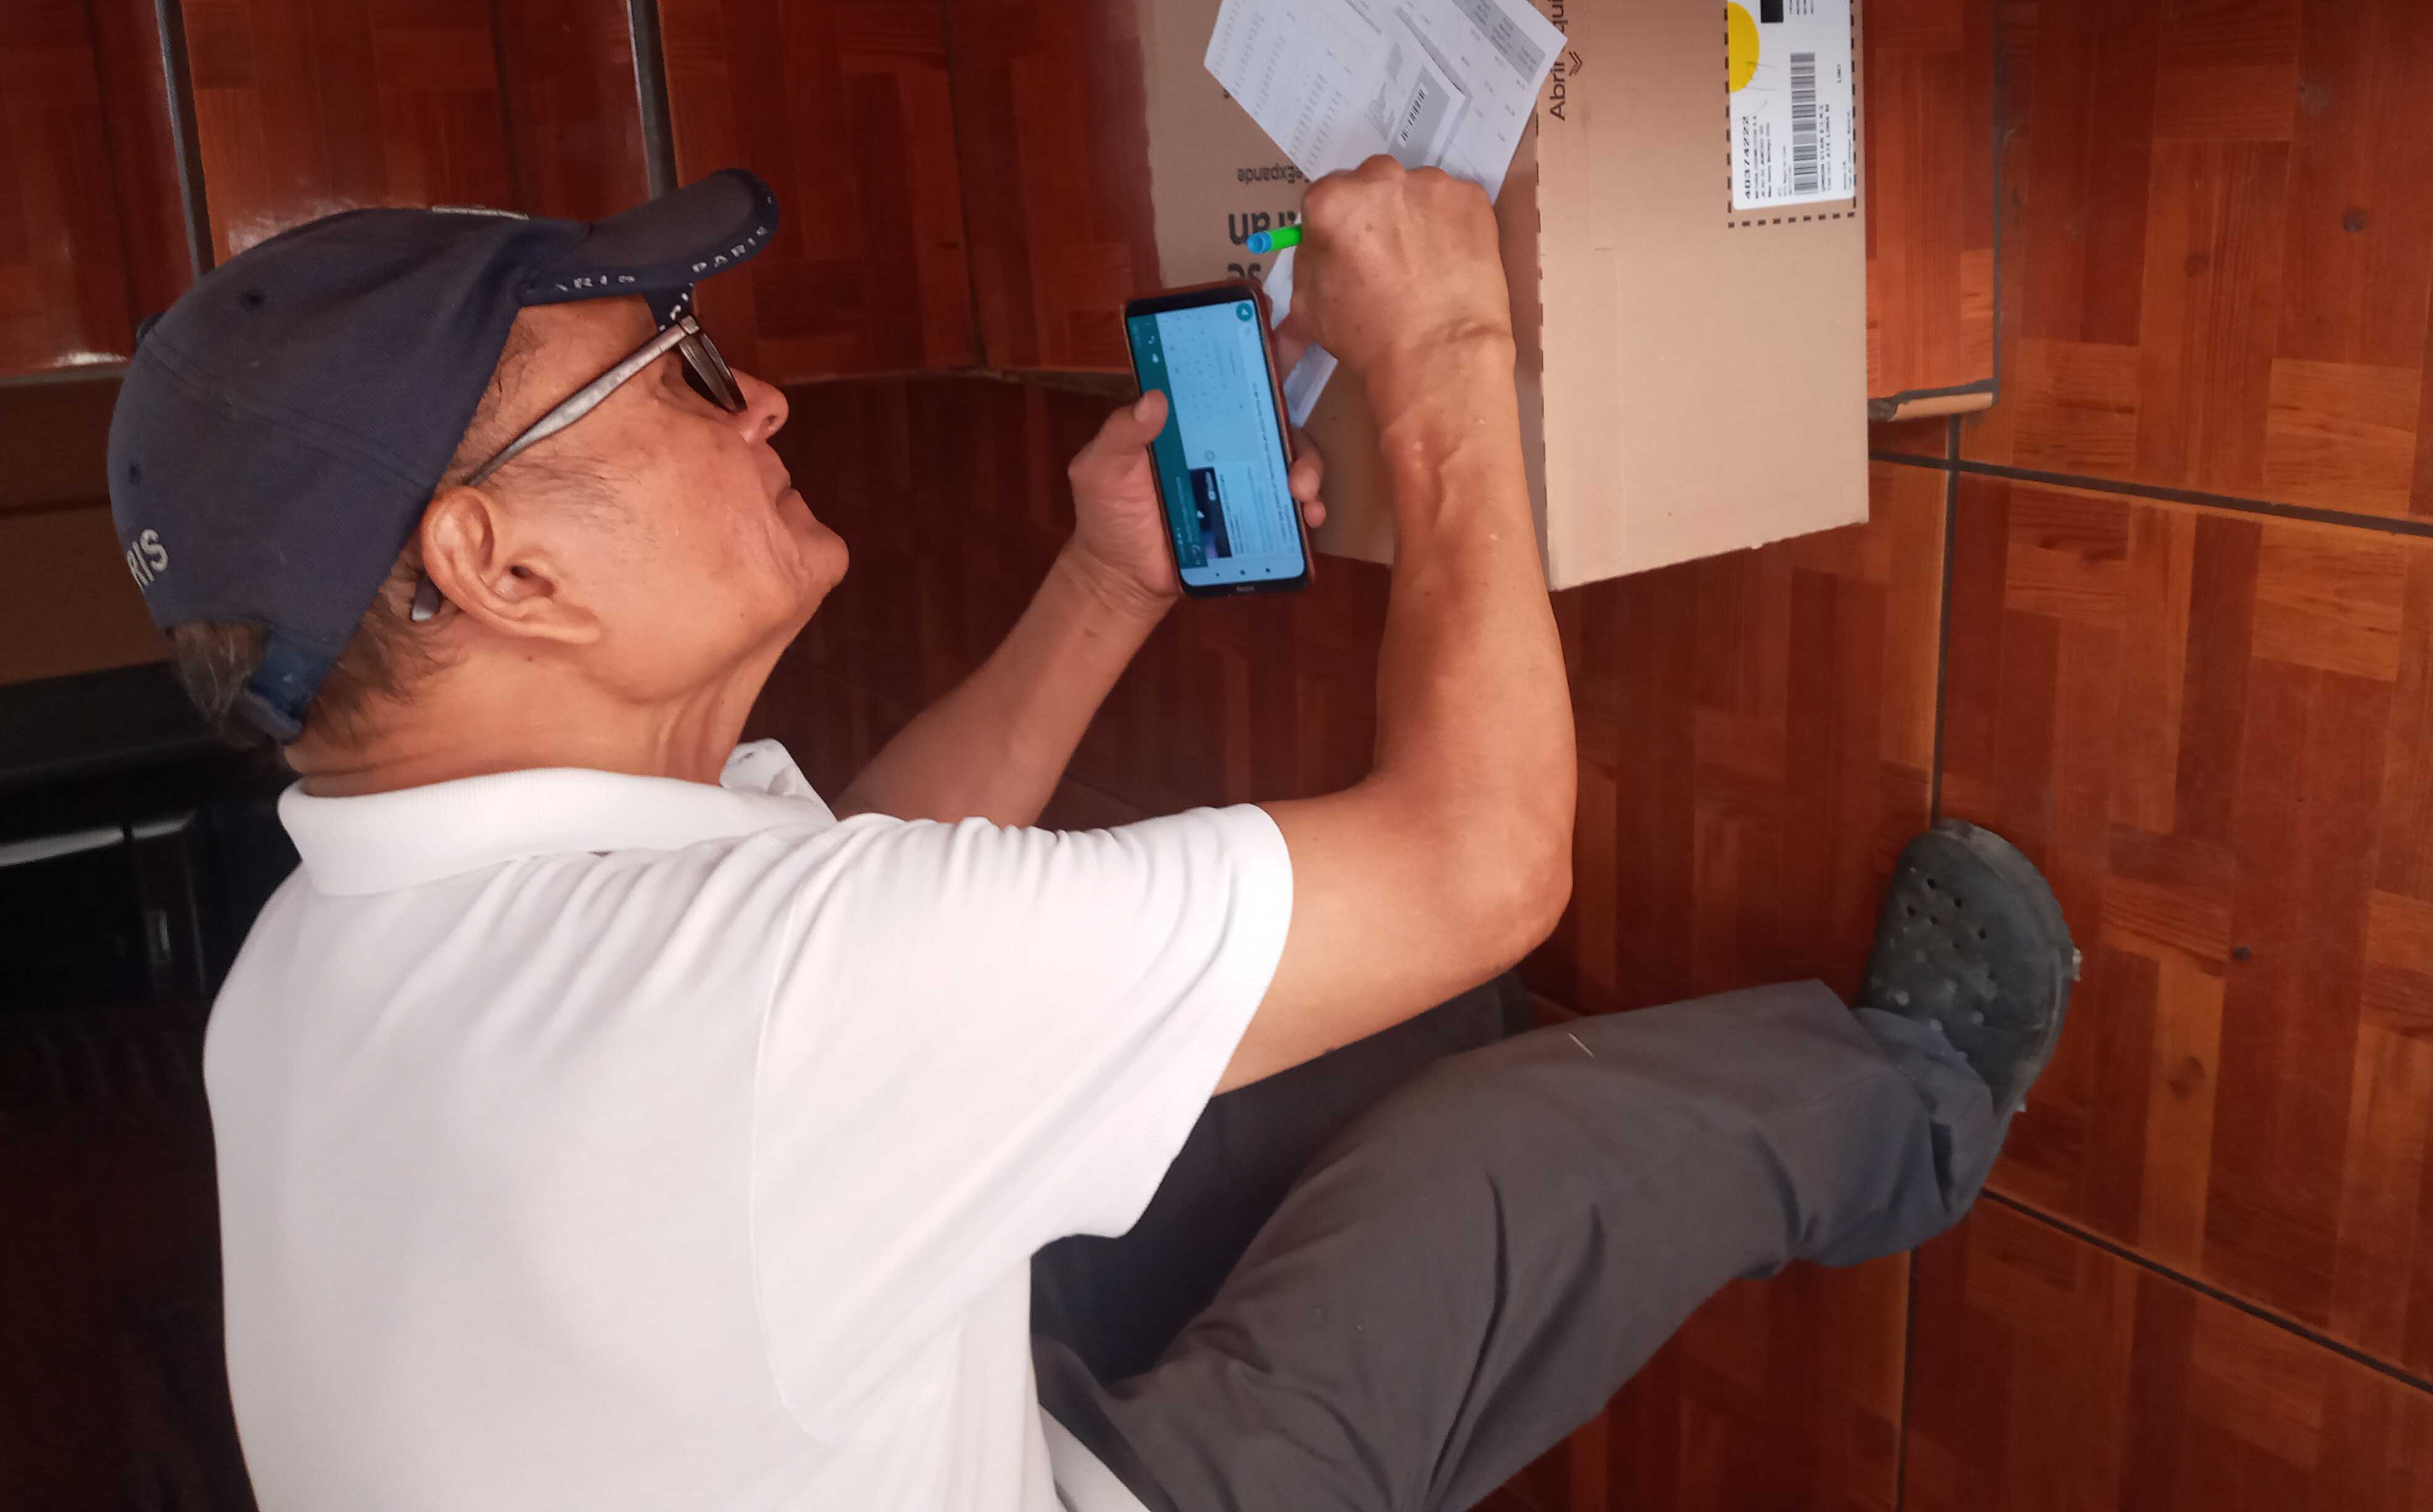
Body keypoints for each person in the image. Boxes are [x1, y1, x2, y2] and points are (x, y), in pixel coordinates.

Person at [108, 162, 2075, 1511]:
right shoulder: (753, 1016)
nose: (761, 398)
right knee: (1511, 1160)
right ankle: (1921, 1101)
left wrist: (1104, 582)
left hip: (863, 1408)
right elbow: (1486, 863)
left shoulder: (328, 951)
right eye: (676, 374)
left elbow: (839, 891)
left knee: (1347, 1028)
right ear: (499, 565)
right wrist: (1449, 359)